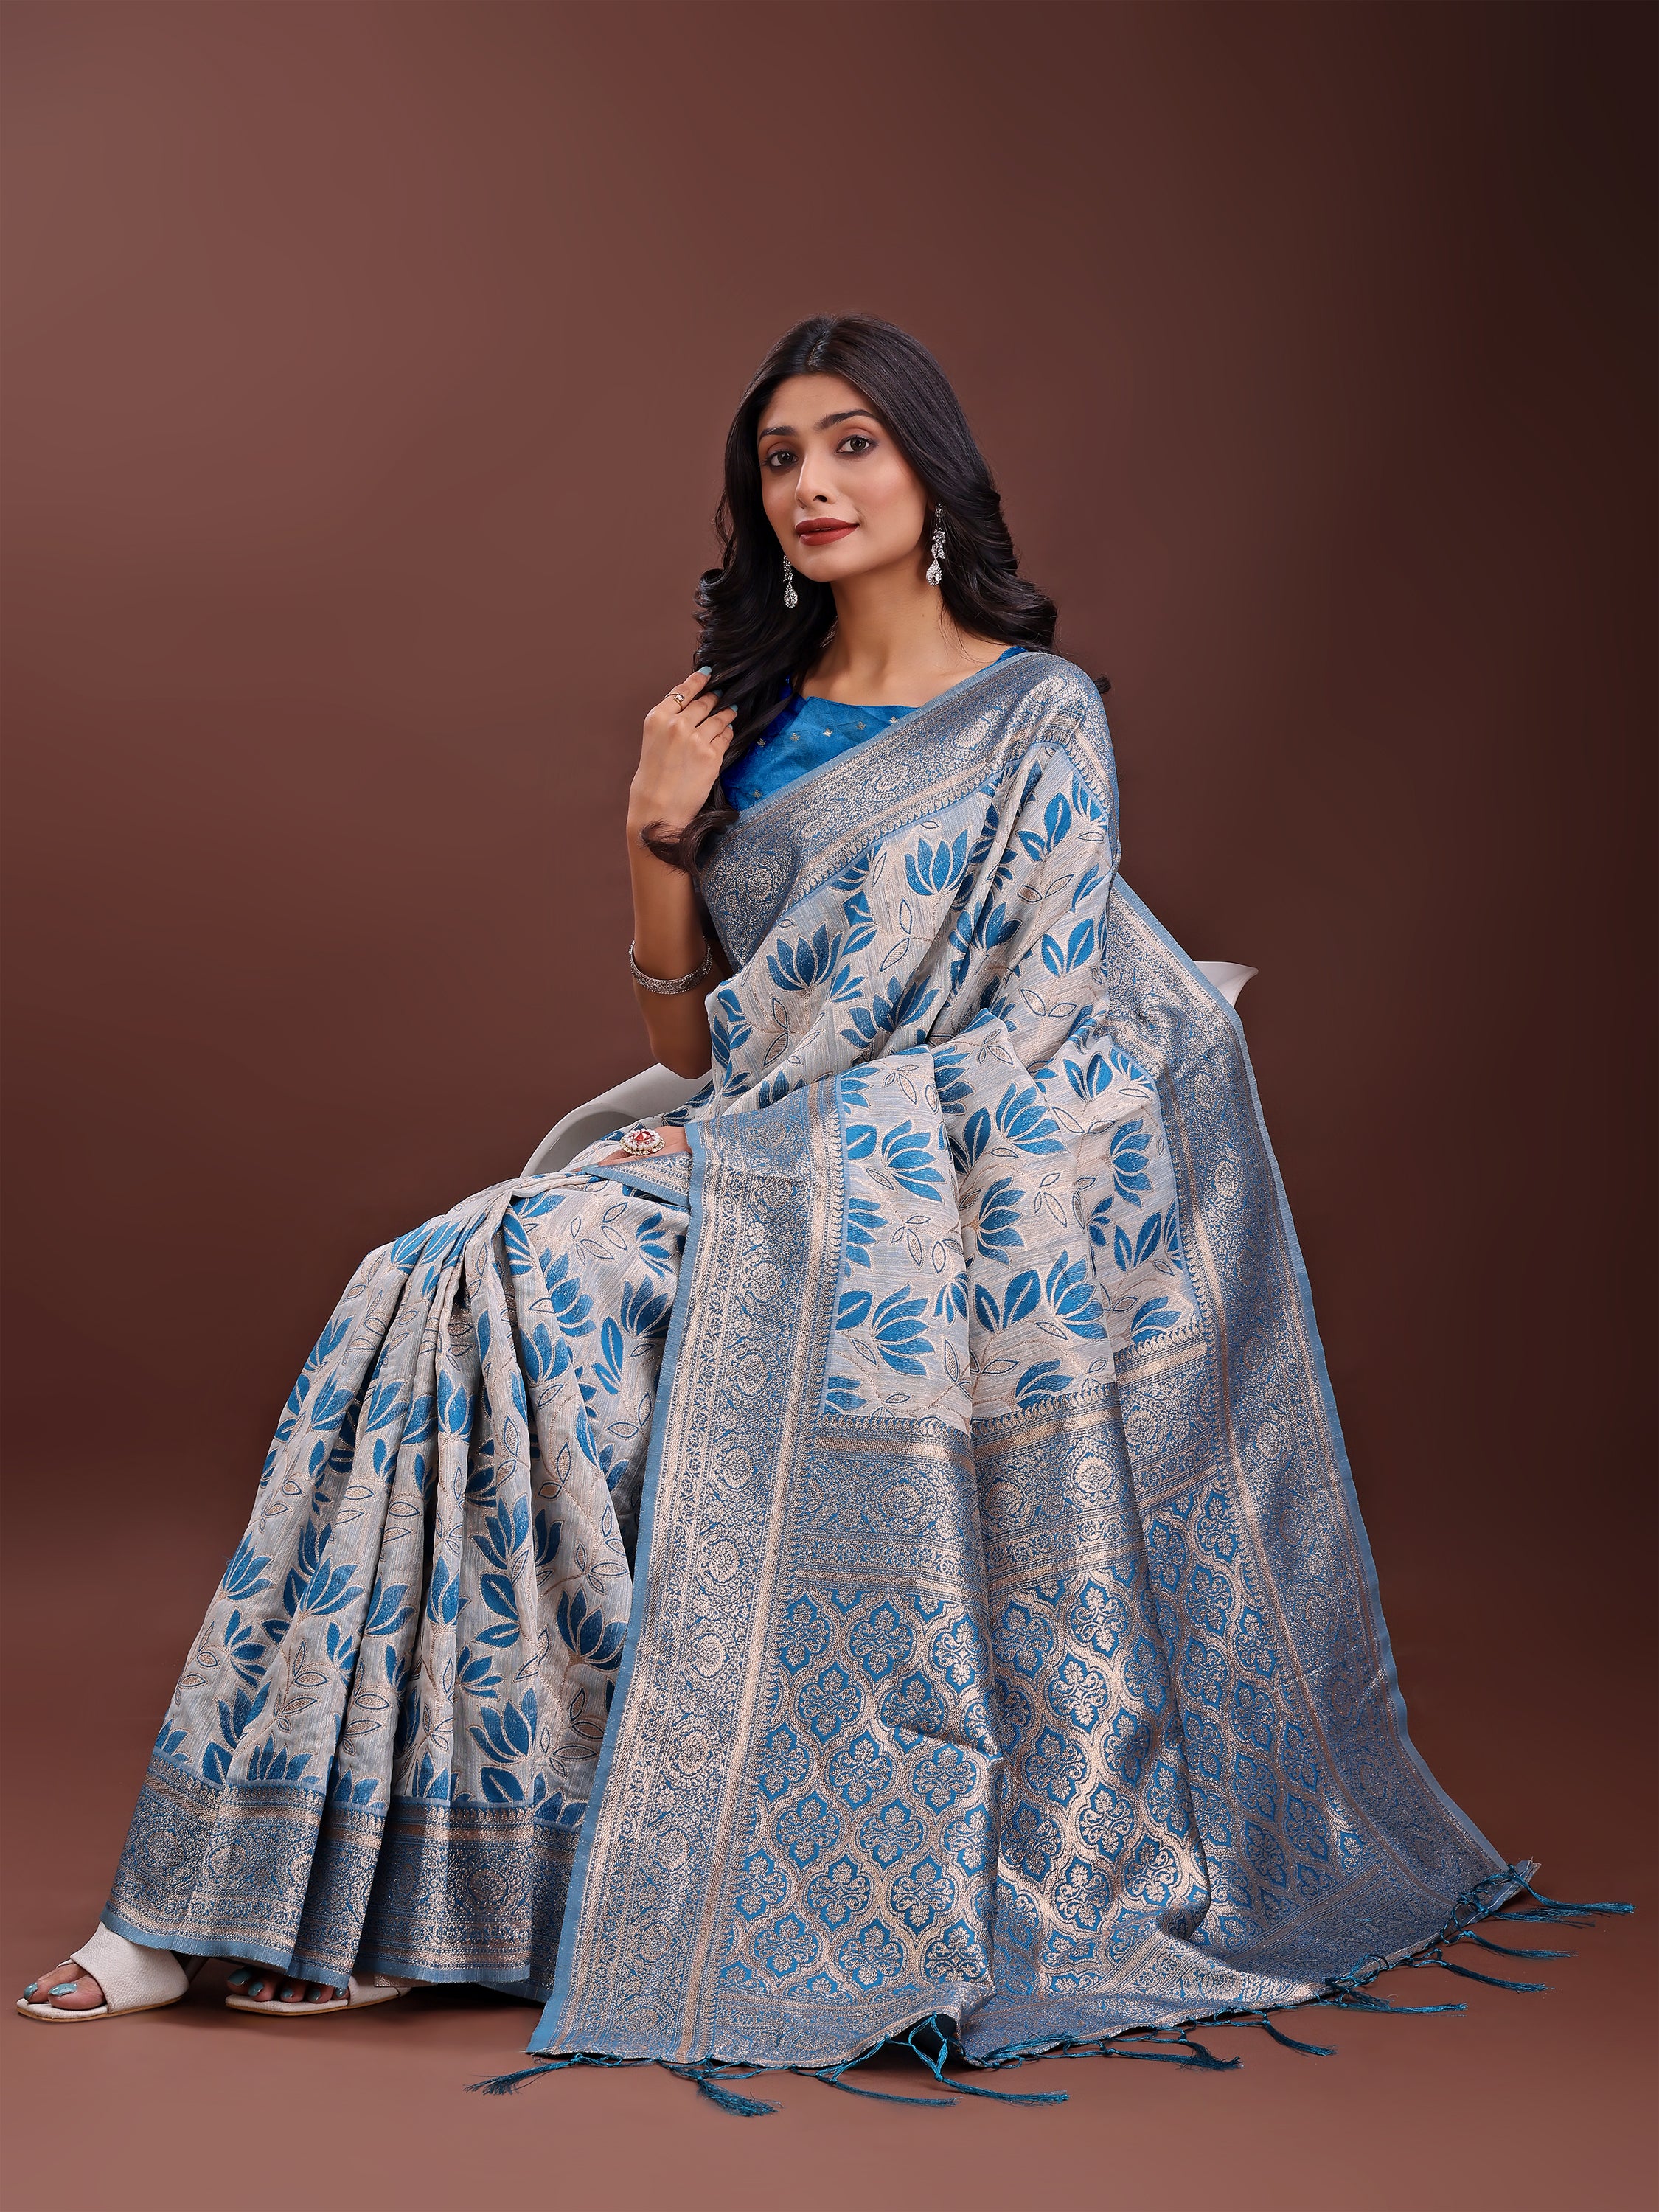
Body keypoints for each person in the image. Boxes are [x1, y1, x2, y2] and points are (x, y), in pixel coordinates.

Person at [18, 316, 1540, 2073]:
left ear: (932, 473)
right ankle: (273, 1896)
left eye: (851, 445)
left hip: (909, 1200)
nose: (812, 484)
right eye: (779, 458)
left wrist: (758, 1157)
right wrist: (654, 836)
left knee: (531, 1274)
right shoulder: (739, 720)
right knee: (425, 1284)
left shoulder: (1035, 718)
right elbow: (687, 1031)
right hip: (745, 1150)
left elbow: (1045, 1035)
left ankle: (425, 1895)